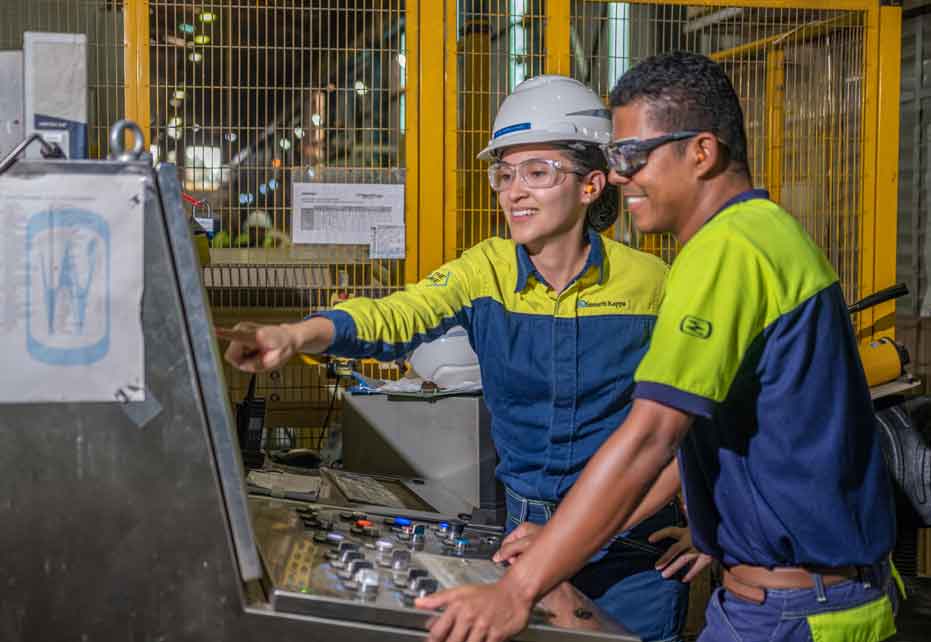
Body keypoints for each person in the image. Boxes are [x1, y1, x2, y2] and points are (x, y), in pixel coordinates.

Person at [416, 52, 899, 642]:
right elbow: (716, 430)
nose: (619, 177)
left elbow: (650, 437)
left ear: (701, 152)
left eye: (631, 156)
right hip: (792, 600)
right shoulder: (762, 232)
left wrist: (519, 588)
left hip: (791, 613)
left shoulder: (726, 251)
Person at [221, 75, 692, 641]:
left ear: (592, 184)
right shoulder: (485, 270)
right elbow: (395, 316)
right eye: (505, 174)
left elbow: (692, 426)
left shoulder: (653, 285)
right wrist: (297, 335)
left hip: (630, 547)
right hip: (523, 536)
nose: (514, 192)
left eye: (537, 172)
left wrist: (711, 528)